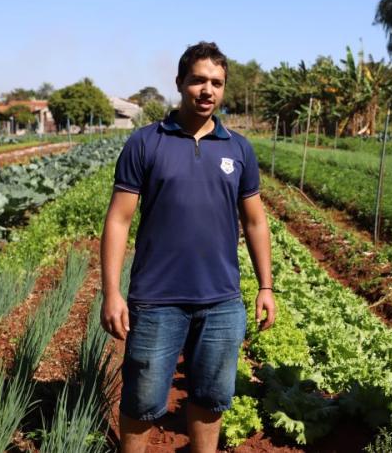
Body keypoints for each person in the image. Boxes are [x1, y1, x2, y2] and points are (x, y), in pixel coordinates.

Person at [100, 41, 276, 453]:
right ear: (180, 82)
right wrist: (112, 292)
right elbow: (118, 220)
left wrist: (266, 286)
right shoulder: (146, 143)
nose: (206, 90)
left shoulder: (238, 148)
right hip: (156, 300)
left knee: (211, 400)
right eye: (198, 80)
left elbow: (255, 220)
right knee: (142, 403)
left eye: (216, 82)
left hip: (221, 301)